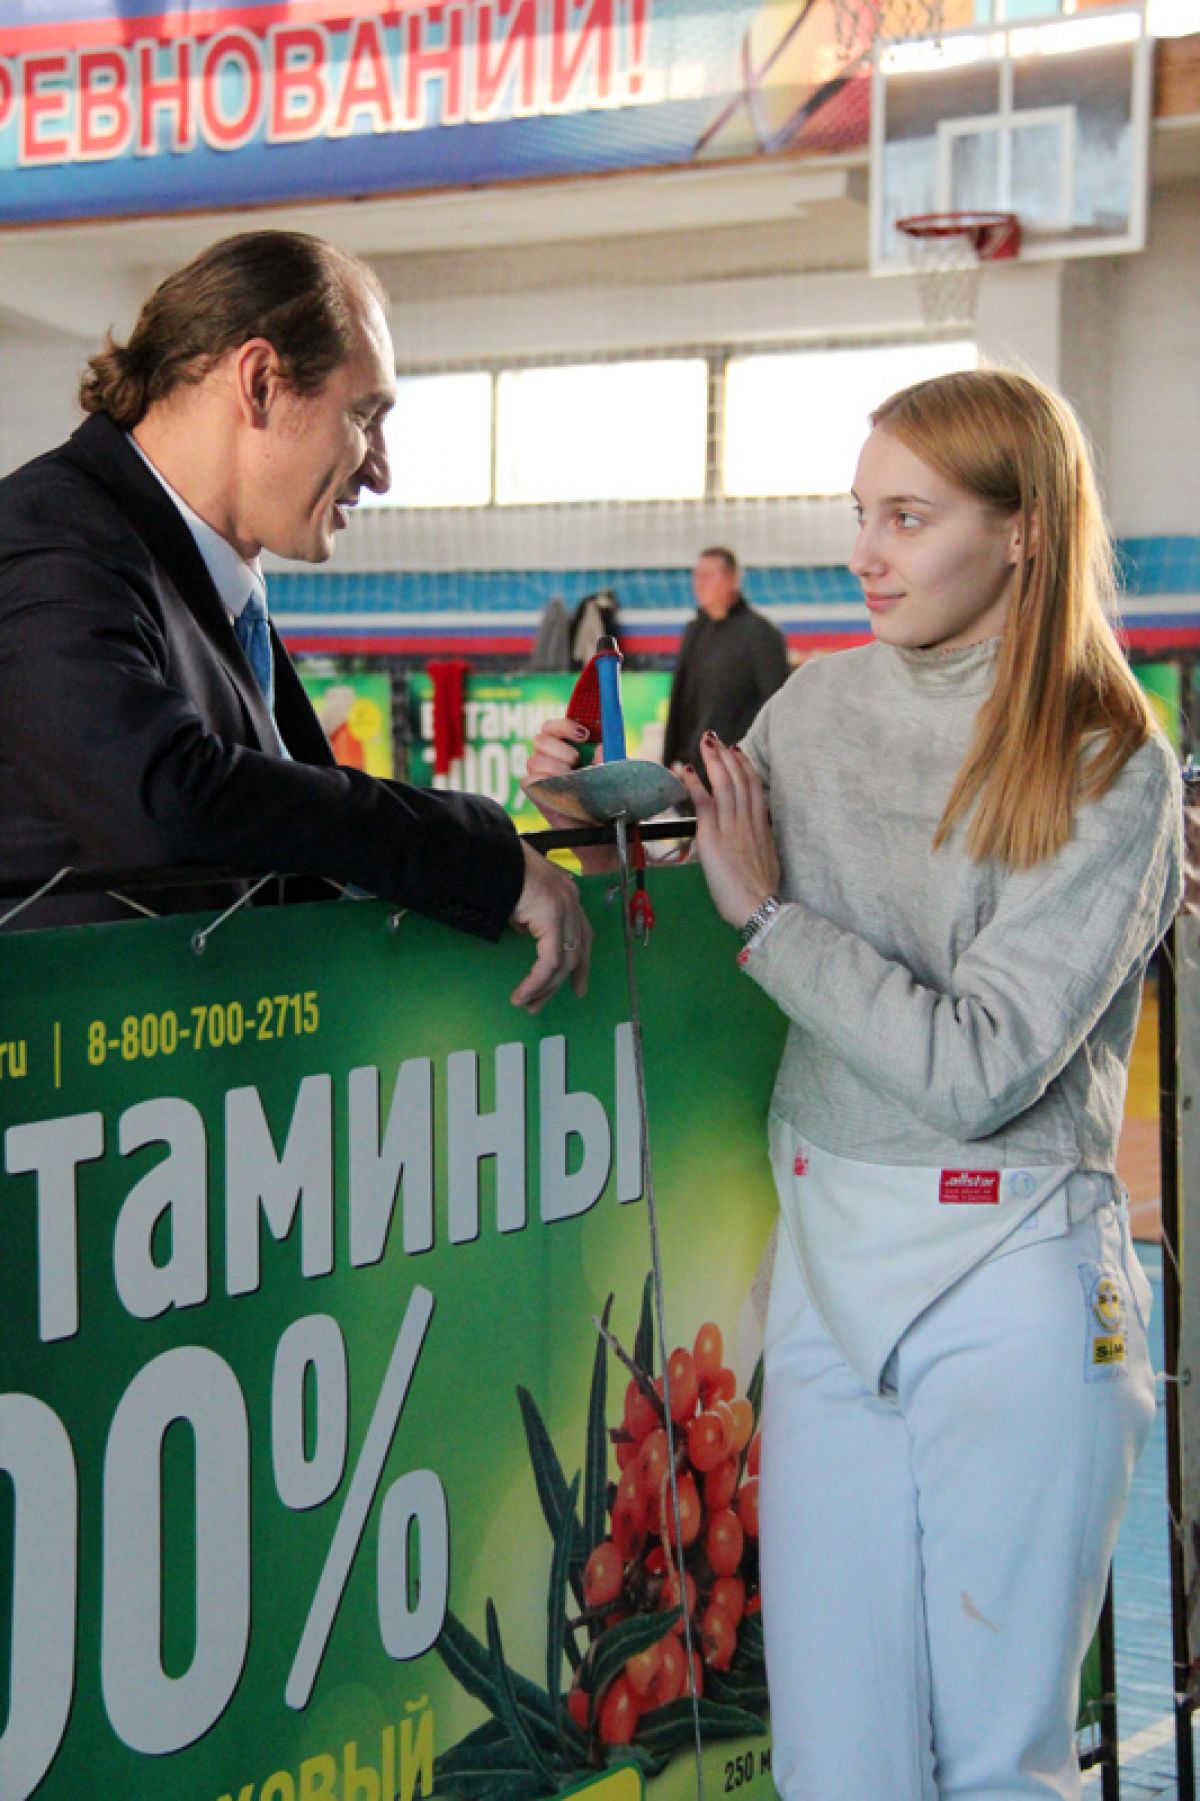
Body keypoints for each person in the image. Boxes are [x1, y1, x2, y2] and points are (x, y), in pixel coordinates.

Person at [528, 369, 1181, 1798]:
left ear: (1022, 531)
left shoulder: (1112, 764)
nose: (864, 553)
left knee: (995, 1767)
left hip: (1010, 1274)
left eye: (907, 517)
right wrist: (584, 795)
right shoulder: (815, 704)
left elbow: (980, 1064)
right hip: (828, 1268)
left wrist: (772, 923)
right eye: (860, 514)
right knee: (836, 1766)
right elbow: (694, 845)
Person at [0, 230, 588, 1013]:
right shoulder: (50, 536)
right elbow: (166, 799)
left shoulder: (205, 580)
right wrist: (472, 853)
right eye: (364, 415)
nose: (380, 471)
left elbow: (285, 845)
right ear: (260, 383)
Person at [660, 546, 789, 778]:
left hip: (736, 771)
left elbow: (776, 706)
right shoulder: (694, 631)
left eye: (708, 576)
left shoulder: (760, 634)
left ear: (733, 580)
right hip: (692, 768)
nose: (700, 584)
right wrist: (669, 758)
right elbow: (680, 702)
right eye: (697, 576)